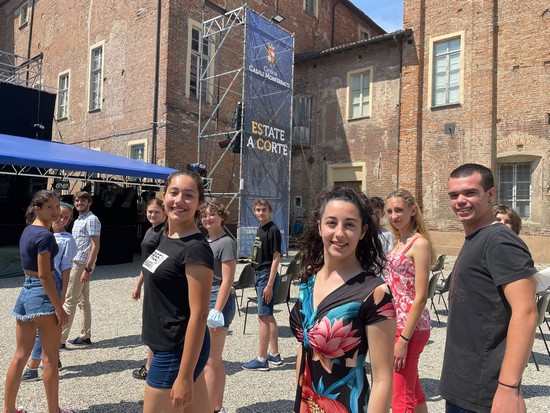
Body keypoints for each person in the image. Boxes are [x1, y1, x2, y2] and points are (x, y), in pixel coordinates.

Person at [441, 163, 538, 413]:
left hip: (484, 391)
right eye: (454, 195)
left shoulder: (499, 241)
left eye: (470, 193)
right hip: (462, 384)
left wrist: (508, 388)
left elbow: (526, 313)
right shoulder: (477, 237)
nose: (460, 201)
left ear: (491, 195)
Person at [289, 187, 396, 412]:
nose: (339, 233)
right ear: (319, 227)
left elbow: (383, 379)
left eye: (349, 224)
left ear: (363, 231)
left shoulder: (374, 292)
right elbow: (304, 348)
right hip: (308, 401)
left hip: (348, 404)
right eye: (331, 223)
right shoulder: (308, 280)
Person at [141, 170, 213, 413]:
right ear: (164, 196)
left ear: (199, 204)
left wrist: (183, 376)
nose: (179, 200)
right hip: (168, 345)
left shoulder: (195, 249)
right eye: (174, 192)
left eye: (188, 195)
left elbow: (200, 314)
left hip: (175, 351)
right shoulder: (167, 236)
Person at [4, 190, 77, 413]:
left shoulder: (28, 230)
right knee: (50, 359)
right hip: (42, 293)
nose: (56, 212)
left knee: (20, 355)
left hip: (26, 292)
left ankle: (8, 409)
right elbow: (45, 275)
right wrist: (59, 307)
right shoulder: (45, 236)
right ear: (37, 209)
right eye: (50, 208)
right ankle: (54, 410)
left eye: (57, 206)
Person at [385, 189, 436, 413]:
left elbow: (421, 296)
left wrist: (403, 339)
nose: (394, 216)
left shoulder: (419, 244)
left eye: (399, 210)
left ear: (412, 210)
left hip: (410, 327)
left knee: (400, 396)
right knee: (411, 387)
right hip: (395, 322)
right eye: (389, 211)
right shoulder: (398, 241)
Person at [22, 202, 78, 382]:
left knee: (45, 326)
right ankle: (52, 356)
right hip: (37, 281)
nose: (60, 219)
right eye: (59, 214)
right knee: (41, 325)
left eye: (66, 217)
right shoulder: (41, 233)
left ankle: (33, 366)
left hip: (53, 280)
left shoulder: (67, 239)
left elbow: (66, 268)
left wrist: (62, 295)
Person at [199, 201, 237, 413]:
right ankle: (216, 405)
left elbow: (227, 280)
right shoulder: (206, 240)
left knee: (209, 361)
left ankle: (210, 408)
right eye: (204, 215)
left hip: (217, 302)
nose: (207, 219)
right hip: (207, 299)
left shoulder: (226, 242)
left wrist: (217, 310)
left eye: (212, 214)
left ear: (221, 216)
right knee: (216, 359)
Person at [241, 198, 283, 371]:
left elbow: (276, 257)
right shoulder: (261, 228)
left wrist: (269, 284)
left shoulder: (272, 229)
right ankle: (274, 353)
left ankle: (262, 359)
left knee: (263, 318)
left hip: (266, 276)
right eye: (258, 210)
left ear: (270, 210)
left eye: (264, 209)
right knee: (269, 315)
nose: (260, 212)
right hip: (260, 275)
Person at [131, 197, 167, 380]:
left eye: (156, 212)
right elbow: (147, 262)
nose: (152, 215)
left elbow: (159, 259)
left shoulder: (164, 232)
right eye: (149, 212)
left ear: (164, 213)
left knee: (155, 325)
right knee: (150, 324)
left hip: (160, 284)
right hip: (150, 282)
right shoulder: (149, 230)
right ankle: (150, 364)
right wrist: (138, 284)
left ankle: (151, 366)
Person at [60, 191, 101, 348]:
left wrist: (88, 268)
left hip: (81, 264)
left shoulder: (91, 219)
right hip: (76, 262)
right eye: (77, 200)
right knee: (83, 301)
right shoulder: (78, 220)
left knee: (69, 300)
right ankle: (85, 335)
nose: (79, 203)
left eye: (83, 200)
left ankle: (60, 340)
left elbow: (95, 244)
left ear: (89, 203)